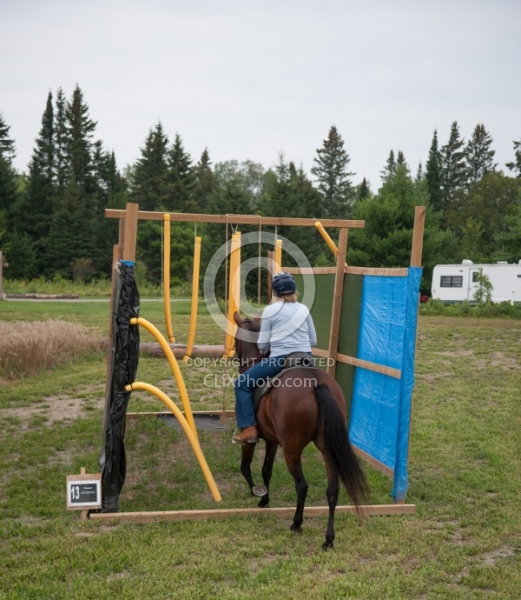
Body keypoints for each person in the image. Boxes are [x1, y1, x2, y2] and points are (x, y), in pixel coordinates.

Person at [232, 271, 317, 444]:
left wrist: (267, 347)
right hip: (306, 359)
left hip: (280, 360)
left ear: (275, 292)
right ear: (294, 290)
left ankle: (249, 428)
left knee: (241, 384)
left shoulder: (270, 310)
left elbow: (262, 345)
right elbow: (313, 340)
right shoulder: (304, 308)